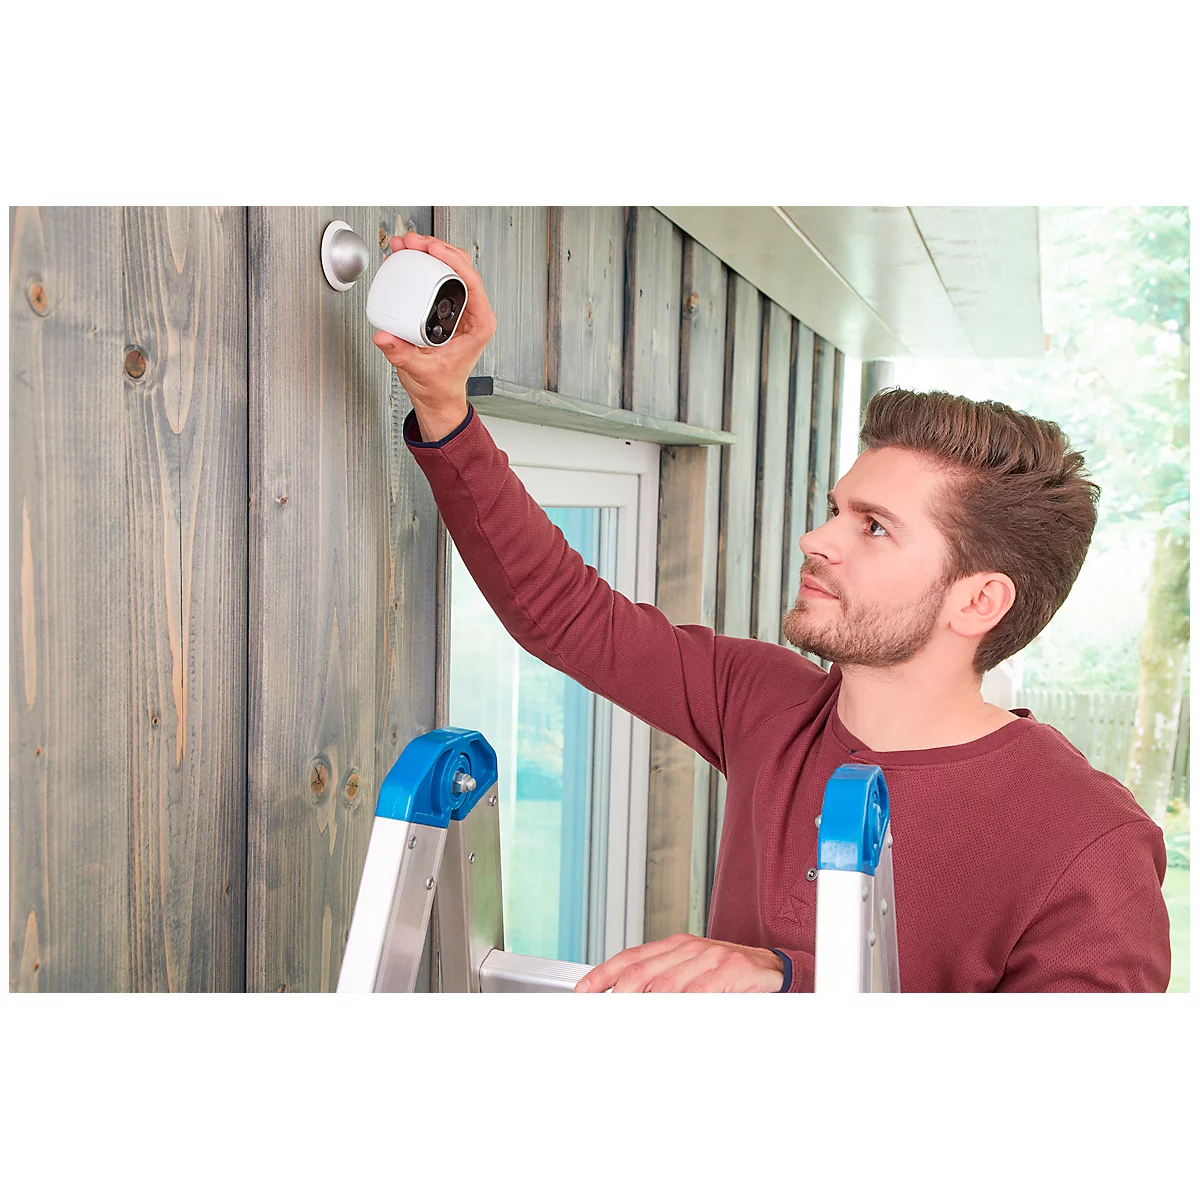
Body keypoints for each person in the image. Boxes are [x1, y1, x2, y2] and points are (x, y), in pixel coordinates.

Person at [374, 231, 1171, 993]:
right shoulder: (766, 703)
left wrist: (790, 981)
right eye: (837, 509)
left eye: (874, 527)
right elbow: (563, 613)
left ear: (979, 601)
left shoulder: (1089, 843)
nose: (815, 539)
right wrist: (444, 403)